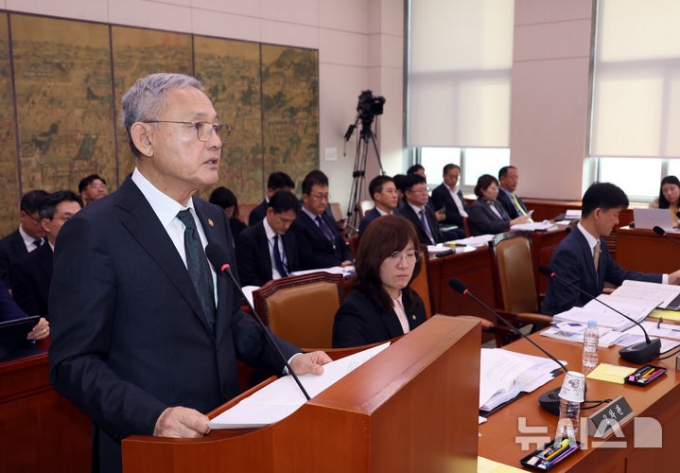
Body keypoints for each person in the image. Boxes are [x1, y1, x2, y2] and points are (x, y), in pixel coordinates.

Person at [48, 73, 330, 473]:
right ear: (144, 138)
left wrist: (290, 358)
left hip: (226, 435)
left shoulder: (213, 219)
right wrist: (153, 417)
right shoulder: (95, 231)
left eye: (216, 128)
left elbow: (227, 322)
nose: (214, 140)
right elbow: (72, 364)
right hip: (151, 449)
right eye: (197, 127)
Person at [543, 182, 680, 316]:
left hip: (589, 320)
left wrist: (668, 279)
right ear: (597, 213)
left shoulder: (599, 243)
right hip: (558, 327)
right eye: (616, 214)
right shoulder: (568, 252)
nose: (617, 222)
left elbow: (622, 276)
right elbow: (569, 307)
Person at [332, 215, 428, 347]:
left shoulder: (413, 300)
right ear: (373, 257)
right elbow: (351, 366)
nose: (404, 265)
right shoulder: (354, 311)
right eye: (394, 255)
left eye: (410, 255)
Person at [12, 191, 83, 317]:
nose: (76, 224)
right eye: (67, 219)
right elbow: (33, 320)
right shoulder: (26, 268)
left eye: (80, 217)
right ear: (46, 224)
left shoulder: (101, 256)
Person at [235, 190, 300, 287]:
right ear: (270, 212)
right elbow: (248, 278)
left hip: (290, 289)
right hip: (265, 292)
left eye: (291, 221)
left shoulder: (290, 236)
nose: (287, 226)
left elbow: (295, 269)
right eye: (284, 220)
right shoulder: (248, 238)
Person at [289, 171, 352, 269]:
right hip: (320, 275)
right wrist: (338, 264)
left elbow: (343, 246)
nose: (323, 202)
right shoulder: (297, 222)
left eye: (326, 196)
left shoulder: (328, 219)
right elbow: (308, 257)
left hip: (342, 271)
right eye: (319, 197)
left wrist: (348, 261)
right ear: (305, 197)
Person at [0, 190, 49, 290]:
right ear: (23, 216)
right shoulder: (4, 249)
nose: (44, 226)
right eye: (38, 221)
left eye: (48, 221)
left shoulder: (54, 241)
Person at [398, 173, 443, 245]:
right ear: (408, 194)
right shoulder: (402, 216)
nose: (424, 193)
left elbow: (439, 237)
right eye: (420, 190)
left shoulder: (429, 211)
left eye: (425, 189)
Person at [429, 163, 468, 240]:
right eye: (451, 176)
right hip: (453, 224)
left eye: (456, 177)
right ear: (444, 176)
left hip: (466, 221)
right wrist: (464, 220)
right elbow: (444, 213)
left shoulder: (458, 191)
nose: (454, 179)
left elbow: (464, 209)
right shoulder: (438, 192)